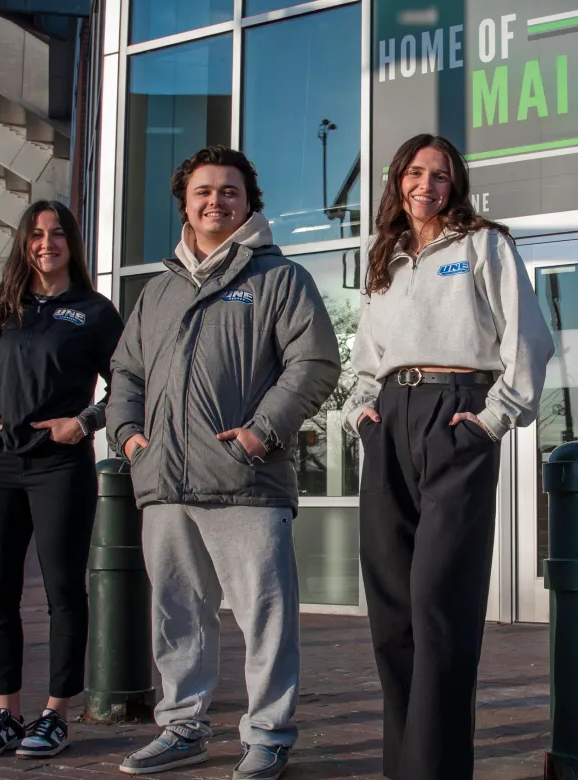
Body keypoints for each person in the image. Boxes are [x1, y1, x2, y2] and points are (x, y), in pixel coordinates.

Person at [108, 146, 340, 780]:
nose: (216, 200)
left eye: (229, 191)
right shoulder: (156, 292)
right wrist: (130, 436)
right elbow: (125, 371)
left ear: (248, 203)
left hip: (246, 480)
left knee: (265, 617)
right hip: (165, 483)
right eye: (204, 191)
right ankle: (182, 727)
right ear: (185, 202)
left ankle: (268, 733)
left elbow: (315, 363)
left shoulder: (279, 278)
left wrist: (261, 434)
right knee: (178, 616)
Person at [344, 134, 555, 780]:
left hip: (455, 416)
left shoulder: (484, 244)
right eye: (415, 172)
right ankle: (402, 766)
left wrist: (492, 420)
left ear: (454, 184)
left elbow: (530, 340)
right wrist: (360, 413)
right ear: (398, 181)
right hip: (390, 420)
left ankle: (434, 771)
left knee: (439, 606)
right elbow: (365, 360)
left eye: (439, 175)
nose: (426, 184)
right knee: (392, 612)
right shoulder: (387, 257)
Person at [0, 200, 125, 759]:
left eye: (56, 234)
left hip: (59, 467)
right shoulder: (0, 304)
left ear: (71, 243)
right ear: (24, 243)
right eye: (35, 234)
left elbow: (126, 386)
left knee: (62, 592)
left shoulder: (95, 312)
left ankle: (55, 714)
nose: (45, 242)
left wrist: (85, 423)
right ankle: (6, 711)